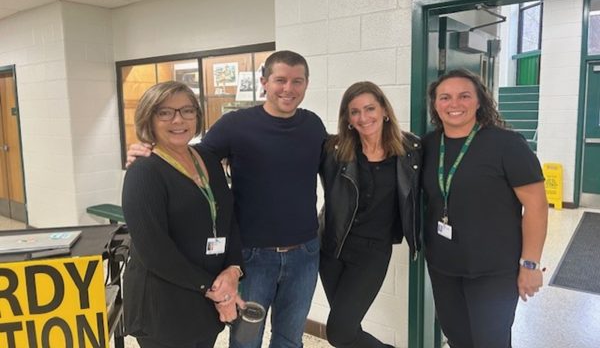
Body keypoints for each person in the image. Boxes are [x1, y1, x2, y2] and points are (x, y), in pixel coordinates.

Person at [127, 51, 328, 348]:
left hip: (304, 254)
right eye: (280, 80)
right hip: (255, 255)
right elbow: (186, 153)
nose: (289, 88)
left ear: (307, 84)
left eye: (297, 81)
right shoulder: (236, 124)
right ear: (264, 82)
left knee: (290, 338)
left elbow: (338, 168)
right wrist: (145, 150)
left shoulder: (313, 125)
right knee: (246, 338)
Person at [422, 69, 548, 348]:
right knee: (457, 338)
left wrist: (530, 264)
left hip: (494, 270)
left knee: (491, 342)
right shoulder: (429, 145)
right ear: (435, 104)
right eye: (445, 97)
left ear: (479, 101)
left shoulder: (506, 144)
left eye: (464, 96)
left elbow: (537, 207)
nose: (454, 104)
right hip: (445, 266)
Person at [121, 81, 244, 348]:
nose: (178, 119)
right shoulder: (144, 172)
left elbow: (228, 217)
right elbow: (153, 251)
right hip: (165, 305)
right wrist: (214, 290)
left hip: (205, 298)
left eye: (187, 111)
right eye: (165, 112)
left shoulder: (207, 158)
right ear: (149, 118)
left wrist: (233, 269)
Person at [319, 81, 421, 348]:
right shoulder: (335, 151)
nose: (363, 118)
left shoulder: (411, 150)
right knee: (350, 329)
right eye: (354, 112)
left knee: (339, 332)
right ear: (348, 119)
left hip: (373, 253)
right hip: (332, 249)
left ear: (384, 110)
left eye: (369, 108)